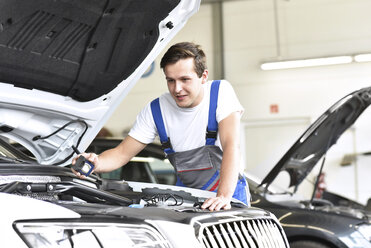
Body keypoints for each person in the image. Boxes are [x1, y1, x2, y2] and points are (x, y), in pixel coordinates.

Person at [72, 42, 250, 211]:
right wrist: (96, 162)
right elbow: (121, 154)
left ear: (203, 77)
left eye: (185, 79)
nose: (177, 89)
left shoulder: (220, 92)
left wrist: (224, 196)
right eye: (170, 80)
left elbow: (231, 146)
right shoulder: (156, 110)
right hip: (189, 193)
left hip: (229, 190)